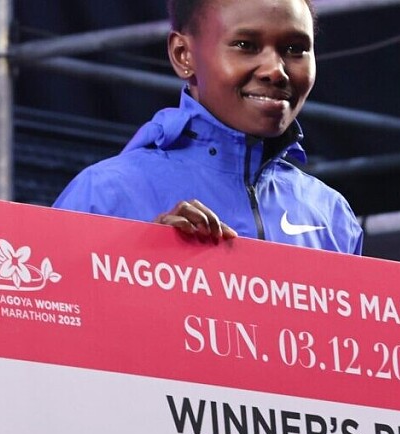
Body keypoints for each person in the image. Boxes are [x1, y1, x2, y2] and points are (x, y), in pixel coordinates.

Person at [52, 0, 363, 255]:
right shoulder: (103, 194)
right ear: (183, 55)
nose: (275, 70)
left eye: (295, 49)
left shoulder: (331, 216)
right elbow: (44, 309)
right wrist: (140, 269)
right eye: (245, 45)